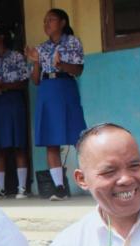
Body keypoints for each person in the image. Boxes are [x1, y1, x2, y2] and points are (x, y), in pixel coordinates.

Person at [25, 8, 87, 201]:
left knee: (79, 137)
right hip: (47, 89)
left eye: (51, 20)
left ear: (62, 22)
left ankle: (92, 179)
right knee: (51, 140)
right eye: (44, 21)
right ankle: (59, 187)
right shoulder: (41, 48)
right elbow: (35, 80)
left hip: (65, 87)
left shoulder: (73, 42)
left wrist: (61, 65)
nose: (46, 24)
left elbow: (78, 70)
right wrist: (35, 62)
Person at [0, 26, 31, 200]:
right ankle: (0, 188)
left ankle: (22, 188)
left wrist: (5, 86)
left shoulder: (17, 56)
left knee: (19, 145)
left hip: (14, 102)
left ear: (1, 37)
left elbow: (25, 82)